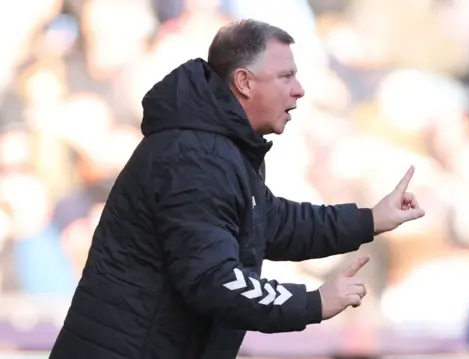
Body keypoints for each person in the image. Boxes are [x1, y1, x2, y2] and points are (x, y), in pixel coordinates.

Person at [49, 19, 425, 359]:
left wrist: (371, 219)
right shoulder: (194, 157)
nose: (299, 90)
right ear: (244, 82)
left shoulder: (217, 147)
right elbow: (215, 281)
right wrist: (313, 302)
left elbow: (275, 222)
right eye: (286, 76)